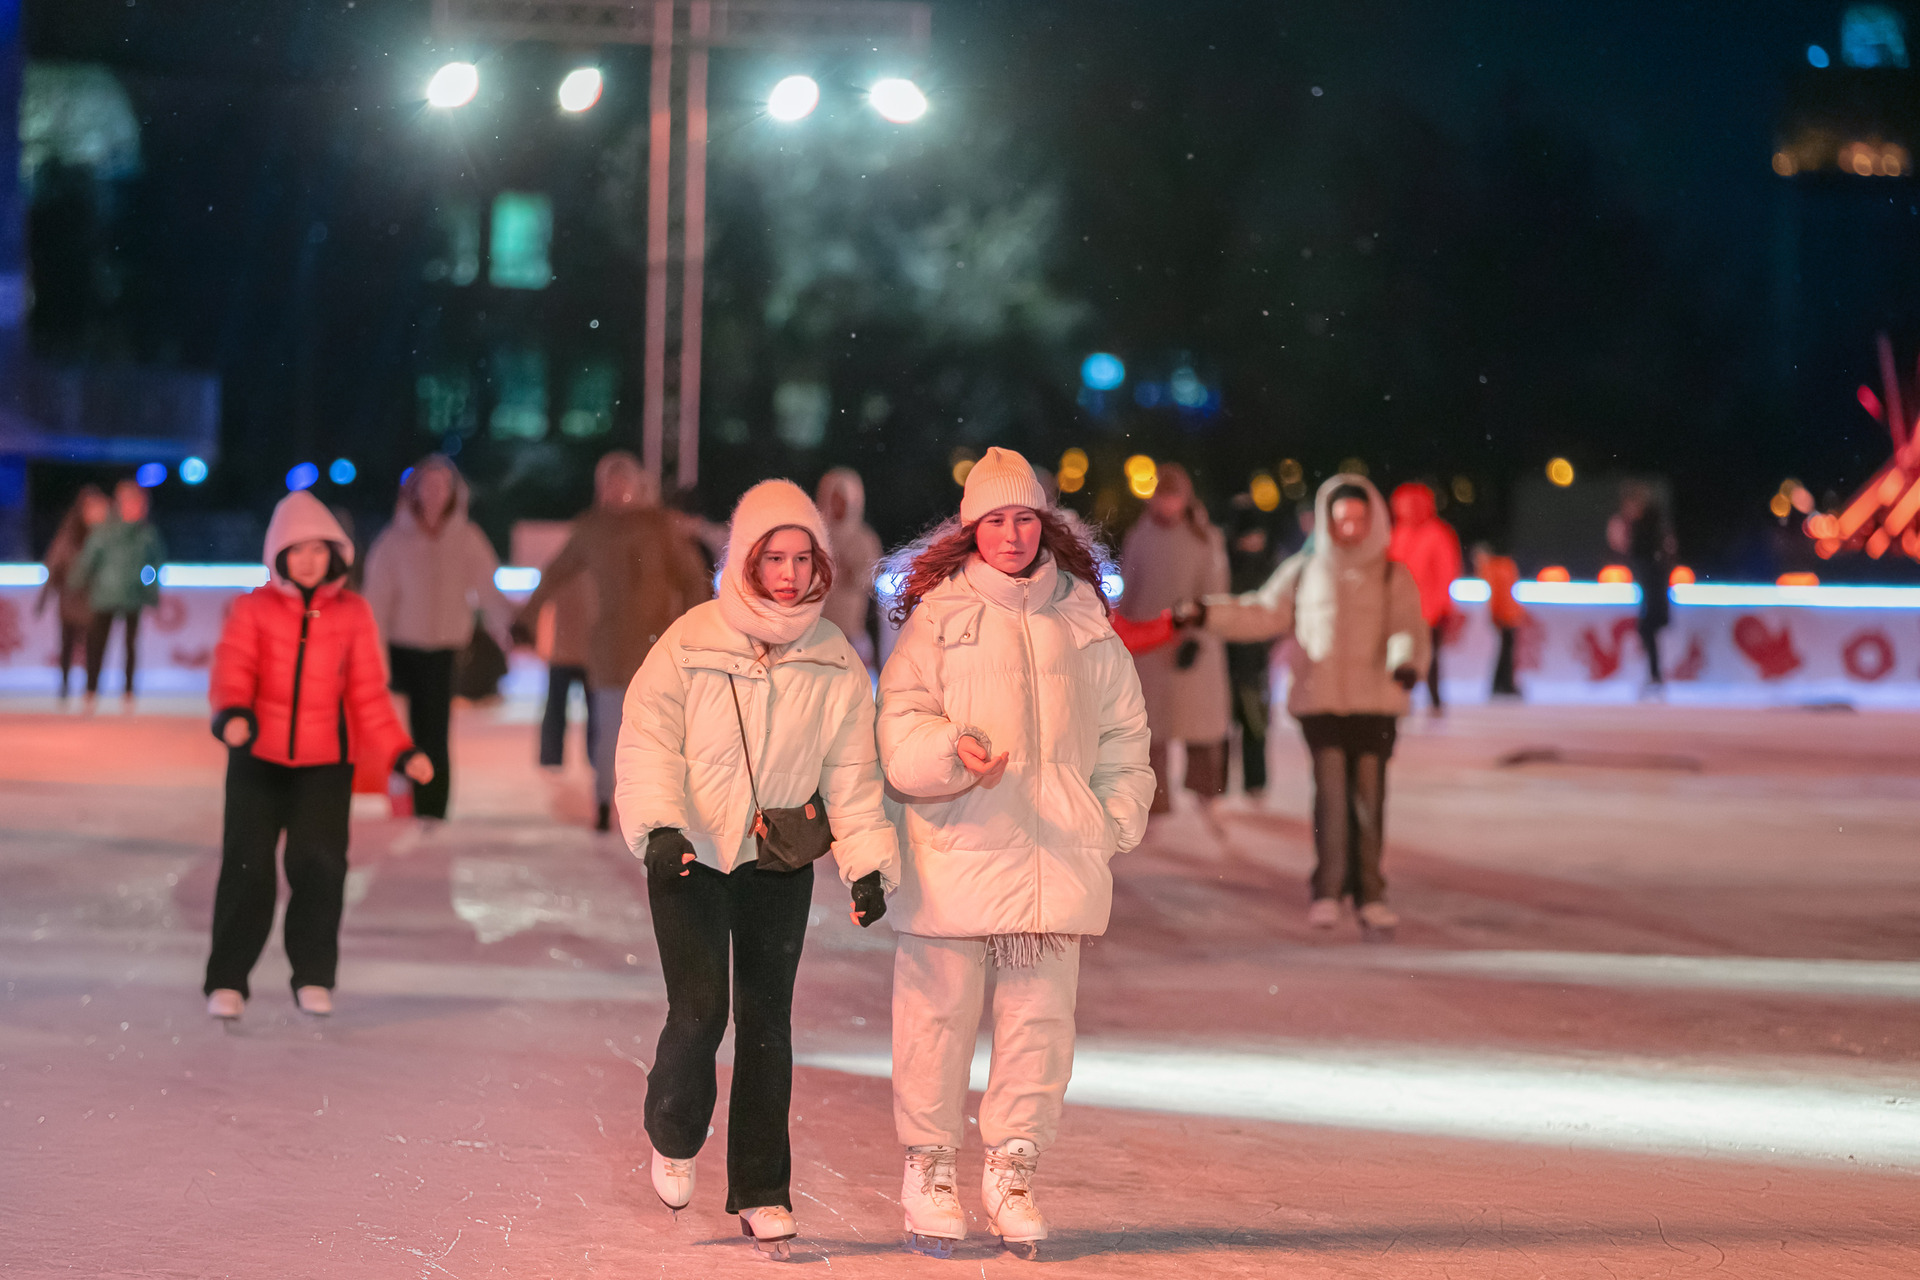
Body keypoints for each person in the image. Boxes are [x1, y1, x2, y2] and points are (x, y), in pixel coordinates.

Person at [877, 447, 1154, 1260]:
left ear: (1045, 525)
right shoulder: (941, 617)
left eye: (1024, 518)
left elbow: (1124, 736)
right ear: (971, 530)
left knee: (1040, 1027)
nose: (1011, 534)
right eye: (995, 520)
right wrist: (947, 753)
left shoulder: (1083, 621)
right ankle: (929, 1169)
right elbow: (898, 731)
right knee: (934, 1023)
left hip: (1054, 858)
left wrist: (1109, 821)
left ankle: (1013, 1170)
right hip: (956, 851)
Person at [614, 480, 899, 1260]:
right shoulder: (691, 640)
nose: (785, 571)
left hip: (778, 858)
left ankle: (764, 1190)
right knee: (701, 1009)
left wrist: (867, 866)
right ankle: (674, 1131)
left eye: (800, 556)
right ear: (744, 559)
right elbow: (646, 740)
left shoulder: (834, 657)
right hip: (691, 857)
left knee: (768, 1025)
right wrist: (661, 829)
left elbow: (852, 774)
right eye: (772, 555)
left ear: (819, 565)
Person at [203, 491, 434, 1020]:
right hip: (256, 759)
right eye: (297, 550)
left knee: (320, 867)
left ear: (336, 554)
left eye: (319, 550)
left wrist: (401, 752)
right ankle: (228, 979)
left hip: (326, 765)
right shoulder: (252, 608)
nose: (309, 560)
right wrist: (233, 714)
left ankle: (312, 975)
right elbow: (232, 670)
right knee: (247, 868)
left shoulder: (353, 614)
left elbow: (368, 695)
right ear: (279, 554)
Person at [1187, 475, 1428, 939]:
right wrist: (1206, 612)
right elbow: (1262, 611)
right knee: (1331, 799)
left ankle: (1372, 894)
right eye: (1342, 521)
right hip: (1322, 704)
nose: (1351, 530)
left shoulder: (1391, 574)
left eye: (1359, 520)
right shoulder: (1305, 570)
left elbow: (1407, 628)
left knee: (1369, 802)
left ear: (1373, 520)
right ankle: (1327, 890)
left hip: (1375, 705)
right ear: (1327, 522)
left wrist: (1404, 663)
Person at [513, 452, 713, 830]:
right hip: (608, 647)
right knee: (608, 731)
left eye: (623, 482)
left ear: (637, 486)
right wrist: (525, 617)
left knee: (656, 733)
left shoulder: (660, 528)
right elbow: (556, 573)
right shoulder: (593, 529)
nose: (616, 490)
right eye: (609, 482)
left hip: (657, 646)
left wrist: (696, 627)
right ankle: (605, 802)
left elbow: (691, 578)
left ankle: (658, 807)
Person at [362, 456, 515, 819]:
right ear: (414, 491)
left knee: (436, 731)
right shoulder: (394, 541)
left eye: (441, 486)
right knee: (403, 730)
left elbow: (489, 589)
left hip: (444, 648)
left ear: (452, 493)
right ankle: (404, 802)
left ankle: (433, 809)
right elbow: (376, 602)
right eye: (427, 486)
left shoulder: (467, 539)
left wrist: (508, 627)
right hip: (401, 647)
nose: (433, 494)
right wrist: (373, 653)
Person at [1118, 461, 1231, 817]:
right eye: (1162, 497)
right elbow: (1131, 590)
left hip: (1192, 644)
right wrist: (1130, 631)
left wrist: (1197, 633)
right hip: (1150, 646)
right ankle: (1157, 801)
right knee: (1153, 729)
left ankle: (1206, 793)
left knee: (1201, 727)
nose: (1168, 505)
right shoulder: (1139, 536)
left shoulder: (1204, 537)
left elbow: (1214, 590)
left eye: (1174, 497)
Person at [74, 479, 167, 709]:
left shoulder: (146, 534)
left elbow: (155, 564)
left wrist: (149, 587)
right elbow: (88, 561)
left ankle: (127, 693)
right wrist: (76, 584)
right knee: (97, 645)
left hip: (132, 595)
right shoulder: (105, 531)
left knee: (130, 646)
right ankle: (91, 691)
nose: (136, 508)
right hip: (105, 595)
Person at [1387, 482, 1462, 715]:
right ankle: (1400, 699)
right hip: (1400, 610)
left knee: (1429, 659)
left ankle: (1434, 701)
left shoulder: (1437, 534)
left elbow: (1446, 573)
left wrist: (1441, 605)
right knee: (1400, 656)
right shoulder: (1399, 532)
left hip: (1430, 610)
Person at [1225, 499, 1280, 798]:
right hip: (1226, 656)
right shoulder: (1226, 563)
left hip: (1255, 659)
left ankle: (1255, 782)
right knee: (1223, 725)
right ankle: (1218, 785)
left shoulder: (1268, 564)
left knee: (1254, 723)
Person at [36, 485, 109, 699]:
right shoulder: (69, 532)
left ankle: (91, 691)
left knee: (93, 647)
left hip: (94, 598)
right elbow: (55, 562)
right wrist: (44, 597)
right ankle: (65, 689)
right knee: (67, 644)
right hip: (69, 597)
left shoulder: (106, 534)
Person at [1608, 481, 1676, 694]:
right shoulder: (1650, 525)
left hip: (1654, 585)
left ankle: (1655, 676)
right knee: (1647, 628)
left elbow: (1629, 547)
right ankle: (1654, 675)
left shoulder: (1647, 526)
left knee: (1647, 627)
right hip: (1652, 585)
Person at [816, 467, 883, 669]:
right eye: (834, 498)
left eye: (843, 499)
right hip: (816, 631)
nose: (838, 504)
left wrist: (851, 570)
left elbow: (869, 578)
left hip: (851, 633)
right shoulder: (815, 535)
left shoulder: (864, 539)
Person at [1473, 544, 1525, 699]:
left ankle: (1501, 684)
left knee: (1505, 652)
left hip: (1506, 615)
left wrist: (1495, 615)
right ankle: (1503, 684)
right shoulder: (1503, 566)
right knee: (1505, 652)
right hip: (1507, 615)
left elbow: (1498, 595)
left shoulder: (1494, 567)